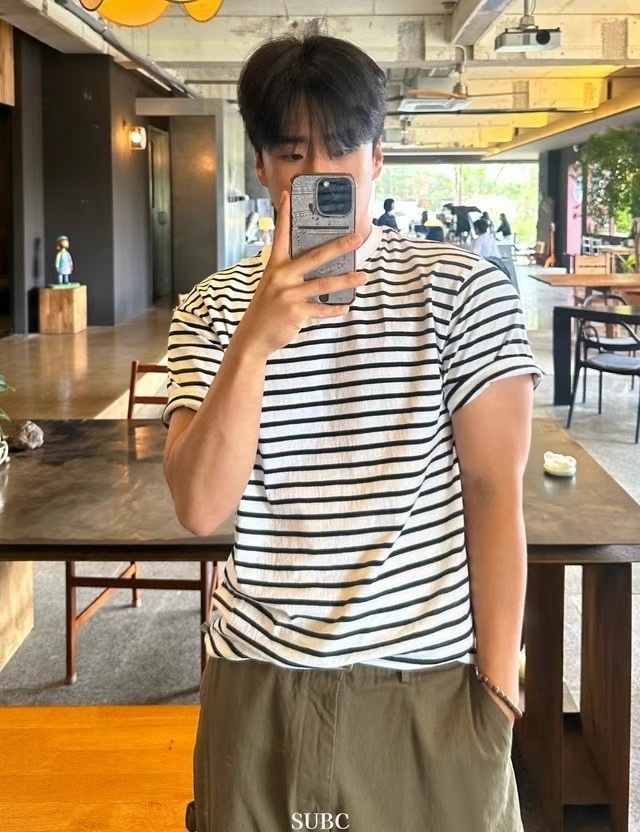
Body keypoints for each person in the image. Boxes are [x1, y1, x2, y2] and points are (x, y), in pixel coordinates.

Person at [164, 30, 540, 832]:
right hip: (259, 683)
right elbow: (200, 507)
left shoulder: (461, 291)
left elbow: (494, 491)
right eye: (292, 151)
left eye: (341, 146)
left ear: (377, 160)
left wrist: (499, 684)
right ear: (261, 167)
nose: (319, 171)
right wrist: (254, 342)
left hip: (429, 682)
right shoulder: (212, 309)